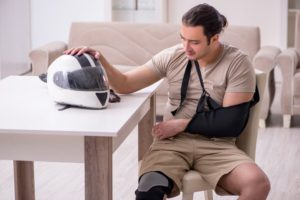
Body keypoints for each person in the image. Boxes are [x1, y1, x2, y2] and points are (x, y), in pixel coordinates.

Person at [65, 3, 270, 200]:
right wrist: (101, 60)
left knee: (258, 184)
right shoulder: (174, 56)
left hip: (216, 145)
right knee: (148, 191)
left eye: (195, 42)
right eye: (183, 39)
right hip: (172, 144)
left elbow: (230, 123)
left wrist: (181, 124)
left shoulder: (237, 63)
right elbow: (126, 84)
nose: (186, 48)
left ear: (214, 38)